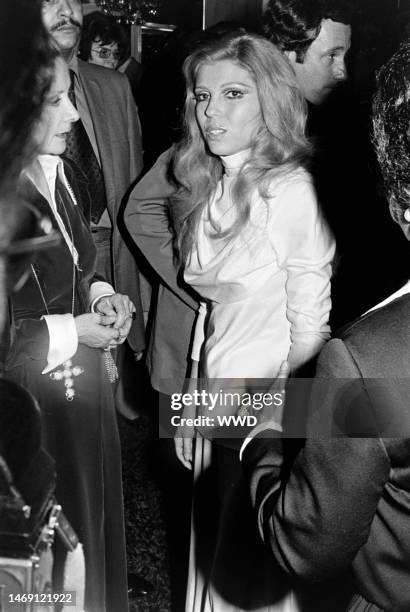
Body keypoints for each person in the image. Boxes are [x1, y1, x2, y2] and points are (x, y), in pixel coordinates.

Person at [242, 39, 410, 612]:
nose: (211, 110)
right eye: (202, 96)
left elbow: (306, 547)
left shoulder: (371, 360)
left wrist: (258, 435)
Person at [169, 32, 334, 611]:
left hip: (265, 404)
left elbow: (312, 332)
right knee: (213, 542)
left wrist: (282, 432)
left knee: (248, 565)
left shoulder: (291, 192)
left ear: (269, 99)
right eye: (202, 95)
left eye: (232, 94)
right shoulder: (211, 184)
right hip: (216, 391)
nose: (211, 111)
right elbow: (208, 313)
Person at [5, 53, 134, 612]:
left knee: (89, 523)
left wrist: (105, 296)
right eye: (56, 101)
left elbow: (82, 266)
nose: (76, 115)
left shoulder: (55, 173)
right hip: (33, 411)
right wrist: (75, 329)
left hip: (84, 402)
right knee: (50, 553)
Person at [42, 0, 147, 419]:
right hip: (38, 260)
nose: (67, 9)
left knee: (105, 389)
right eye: (49, 0)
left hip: (107, 248)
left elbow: (134, 178)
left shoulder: (113, 86)